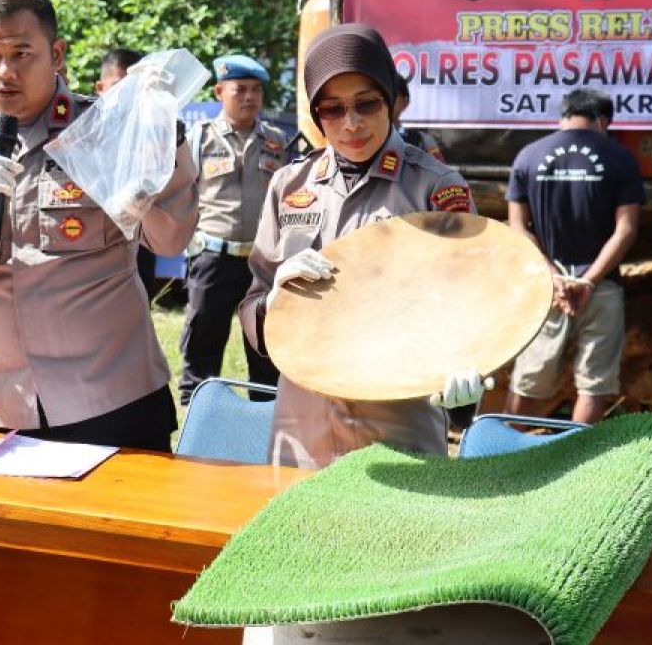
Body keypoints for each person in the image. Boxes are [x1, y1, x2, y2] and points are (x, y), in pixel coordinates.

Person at [0, 0, 198, 451]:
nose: (4, 72)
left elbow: (171, 239)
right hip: (6, 406)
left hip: (113, 400)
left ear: (56, 54)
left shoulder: (104, 131)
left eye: (21, 54)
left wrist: (163, 133)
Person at [237, 24, 487, 470]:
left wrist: (466, 374)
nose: (351, 123)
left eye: (366, 104)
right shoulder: (289, 184)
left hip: (397, 427)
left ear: (391, 99)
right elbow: (254, 298)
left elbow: (469, 302)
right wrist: (273, 300)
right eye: (332, 109)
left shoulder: (434, 186)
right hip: (302, 430)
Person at [504, 89, 644, 424]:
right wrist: (588, 280)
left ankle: (499, 462)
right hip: (600, 286)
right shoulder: (620, 158)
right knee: (592, 387)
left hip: (547, 290)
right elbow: (626, 229)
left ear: (563, 116)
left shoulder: (528, 155)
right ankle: (573, 468)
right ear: (603, 120)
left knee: (527, 382)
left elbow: (518, 227)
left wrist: (552, 276)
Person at [179, 54, 288, 405]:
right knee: (204, 340)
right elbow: (182, 192)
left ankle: (265, 411)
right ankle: (199, 411)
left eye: (256, 90)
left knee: (264, 344)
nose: (249, 97)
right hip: (213, 257)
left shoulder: (275, 140)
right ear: (219, 91)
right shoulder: (199, 138)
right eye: (240, 89)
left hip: (260, 263)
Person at [95, 47, 158, 301]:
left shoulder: (155, 130)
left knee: (139, 307)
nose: (129, 94)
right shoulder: (85, 130)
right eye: (120, 85)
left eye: (137, 86)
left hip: (140, 236)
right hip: (95, 238)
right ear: (100, 87)